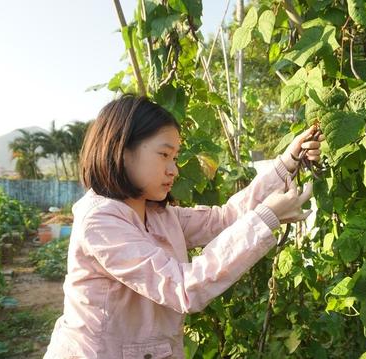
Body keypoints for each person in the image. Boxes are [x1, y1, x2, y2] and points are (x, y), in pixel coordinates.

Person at [43, 95, 324, 359]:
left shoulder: (156, 213)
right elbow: (182, 287)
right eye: (164, 155)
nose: (173, 170)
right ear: (123, 151)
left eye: (174, 158)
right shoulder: (101, 222)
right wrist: (264, 218)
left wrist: (287, 162)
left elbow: (223, 219)